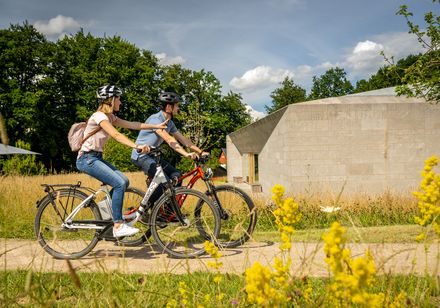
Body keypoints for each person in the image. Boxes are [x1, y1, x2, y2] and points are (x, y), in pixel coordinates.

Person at [76, 85, 168, 238]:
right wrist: (136, 146)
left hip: (95, 157)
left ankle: (106, 213)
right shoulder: (99, 116)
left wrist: (155, 126)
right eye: (118, 98)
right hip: (87, 158)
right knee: (119, 183)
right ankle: (117, 225)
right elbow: (116, 135)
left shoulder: (110, 117)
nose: (120, 101)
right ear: (110, 100)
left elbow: (133, 125)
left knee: (124, 181)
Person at [131, 91, 209, 203]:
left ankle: (168, 213)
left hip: (153, 156)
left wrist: (200, 152)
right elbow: (169, 139)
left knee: (177, 176)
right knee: (165, 183)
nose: (178, 108)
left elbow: (183, 140)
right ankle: (147, 208)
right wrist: (186, 154)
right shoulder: (155, 120)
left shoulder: (170, 123)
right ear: (169, 107)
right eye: (177, 106)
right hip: (141, 156)